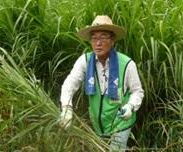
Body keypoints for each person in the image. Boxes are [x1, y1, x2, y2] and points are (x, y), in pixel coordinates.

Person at [58, 15, 144, 151]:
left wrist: (131, 106)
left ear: (113, 40)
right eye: (94, 38)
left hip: (121, 121)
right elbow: (69, 84)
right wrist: (67, 108)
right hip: (98, 125)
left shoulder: (127, 64)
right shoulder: (85, 61)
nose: (98, 43)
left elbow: (137, 91)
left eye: (103, 37)